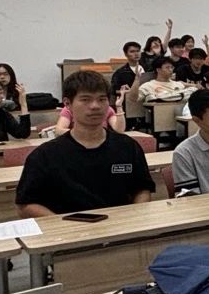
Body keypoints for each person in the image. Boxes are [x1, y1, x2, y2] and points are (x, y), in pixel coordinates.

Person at [16, 71, 154, 216]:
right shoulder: (45, 155)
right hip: (69, 227)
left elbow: (142, 189)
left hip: (120, 225)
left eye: (102, 99)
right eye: (86, 99)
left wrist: (134, 218)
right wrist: (63, 225)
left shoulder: (128, 147)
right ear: (67, 104)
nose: (95, 106)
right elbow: (25, 204)